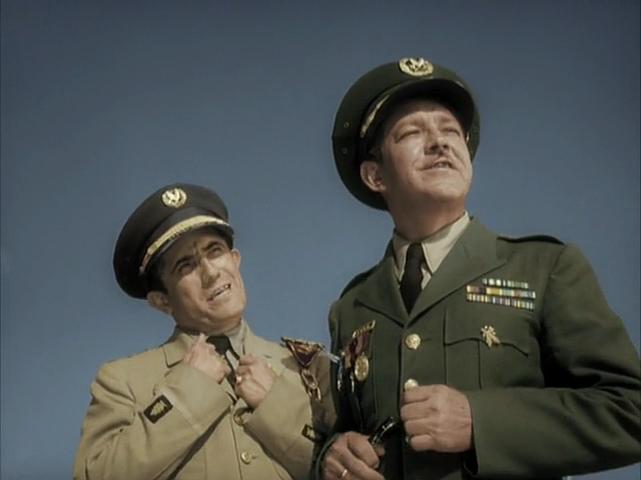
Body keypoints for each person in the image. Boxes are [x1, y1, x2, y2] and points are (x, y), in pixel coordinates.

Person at [318, 57, 641, 480]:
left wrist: (481, 422)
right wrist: (332, 457)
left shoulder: (544, 268)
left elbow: (630, 410)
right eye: (412, 133)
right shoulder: (352, 307)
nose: (440, 142)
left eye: (451, 131)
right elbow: (344, 430)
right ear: (375, 175)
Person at [74, 183, 335, 480]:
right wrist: (188, 392)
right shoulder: (123, 381)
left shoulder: (309, 369)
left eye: (215, 251)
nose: (211, 272)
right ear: (161, 301)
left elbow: (351, 468)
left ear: (235, 260)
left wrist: (277, 408)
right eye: (185, 266)